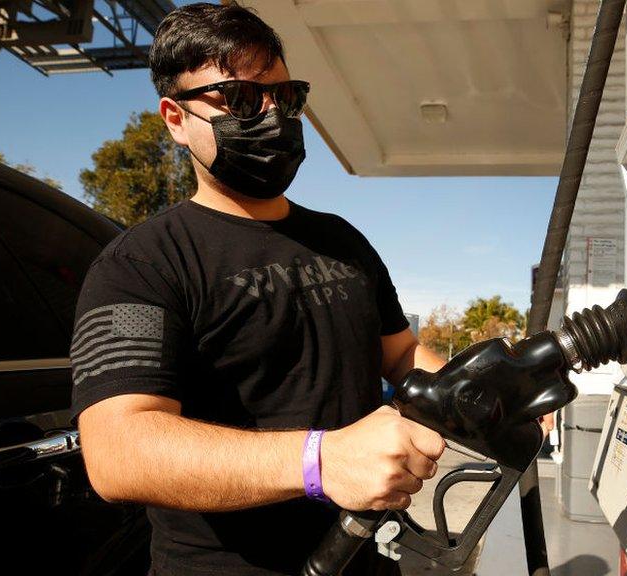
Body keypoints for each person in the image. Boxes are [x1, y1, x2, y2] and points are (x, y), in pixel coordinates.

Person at [68, 3, 451, 574]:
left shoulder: (341, 239)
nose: (271, 115)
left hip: (368, 557)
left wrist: (474, 388)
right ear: (175, 119)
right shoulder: (141, 264)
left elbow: (396, 352)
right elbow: (118, 451)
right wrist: (320, 461)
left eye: (285, 97)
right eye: (240, 99)